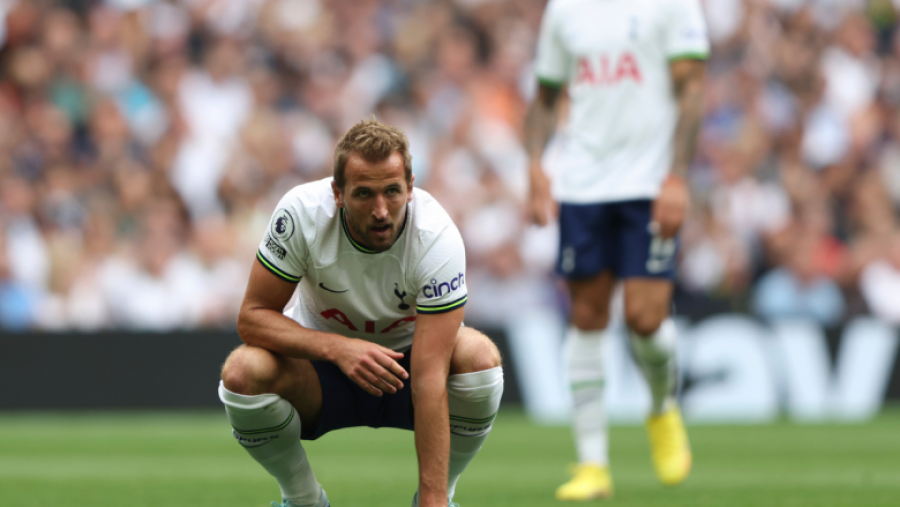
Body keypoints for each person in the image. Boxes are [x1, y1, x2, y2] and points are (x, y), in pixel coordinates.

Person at [218, 119, 504, 507]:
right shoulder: (302, 214)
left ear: (411, 187)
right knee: (241, 373)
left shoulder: (436, 237)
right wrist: (338, 348)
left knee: (480, 361)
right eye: (364, 194)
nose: (381, 210)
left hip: (410, 369)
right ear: (337, 193)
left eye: (392, 191)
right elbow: (251, 317)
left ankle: (442, 500)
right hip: (320, 372)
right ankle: (303, 500)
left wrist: (432, 500)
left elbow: (430, 374)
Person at [524, 0, 709, 500]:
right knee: (586, 315)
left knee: (645, 318)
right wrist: (536, 164)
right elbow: (546, 94)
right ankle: (592, 465)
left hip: (648, 184)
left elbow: (691, 89)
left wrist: (677, 178)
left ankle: (662, 406)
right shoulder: (564, 10)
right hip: (582, 185)